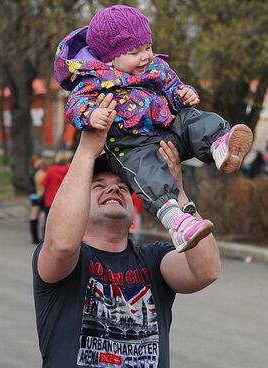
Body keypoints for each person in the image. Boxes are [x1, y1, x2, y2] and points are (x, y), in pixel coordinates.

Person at [33, 93, 221, 368]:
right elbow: (61, 243)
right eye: (98, 185)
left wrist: (177, 191)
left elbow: (206, 270)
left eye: (122, 185)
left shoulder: (154, 261)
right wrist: (87, 151)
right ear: (79, 203)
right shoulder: (66, 262)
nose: (114, 187)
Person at [54, 5, 253, 252]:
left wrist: (184, 94)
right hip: (131, 146)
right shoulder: (95, 79)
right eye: (135, 52)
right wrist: (92, 114)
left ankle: (219, 145)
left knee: (192, 118)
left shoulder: (155, 67)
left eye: (147, 47)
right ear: (110, 58)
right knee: (149, 174)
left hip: (167, 128)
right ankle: (176, 221)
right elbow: (75, 104)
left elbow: (173, 88)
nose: (145, 56)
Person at [28, 155, 48, 244]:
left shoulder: (33, 171)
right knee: (35, 214)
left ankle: (35, 236)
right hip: (36, 194)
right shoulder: (36, 172)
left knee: (35, 214)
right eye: (37, 161)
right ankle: (35, 237)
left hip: (34, 194)